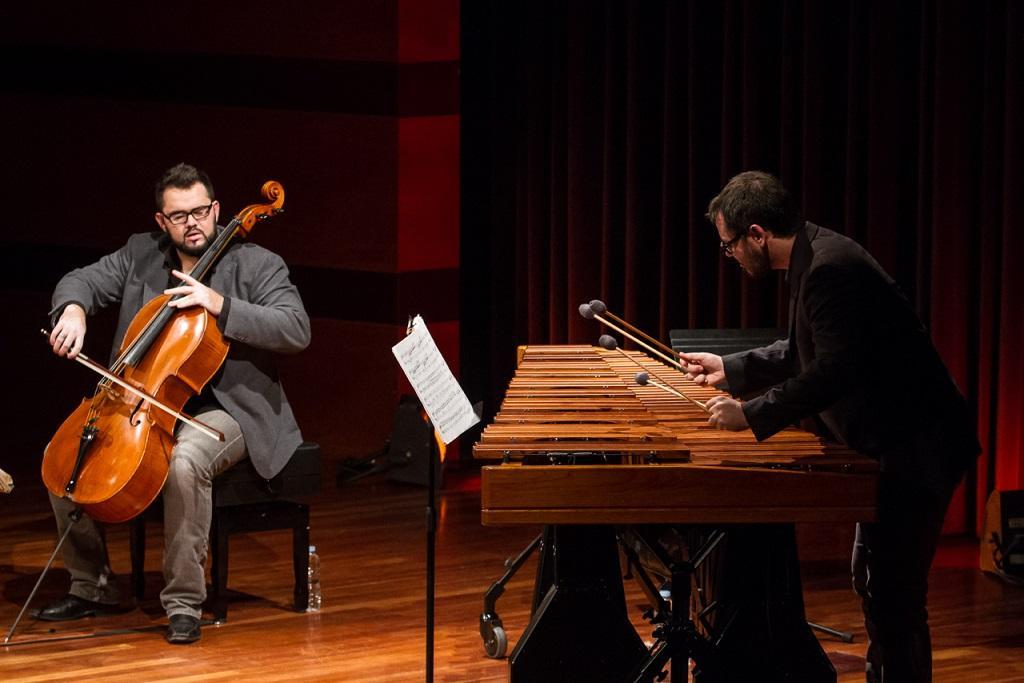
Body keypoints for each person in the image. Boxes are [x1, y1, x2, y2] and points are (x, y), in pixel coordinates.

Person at [681, 170, 980, 682]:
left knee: (895, 599)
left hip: (917, 448)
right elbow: (803, 351)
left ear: (757, 234)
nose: (728, 255)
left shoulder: (828, 269)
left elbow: (833, 372)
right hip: (893, 445)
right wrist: (730, 369)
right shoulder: (813, 257)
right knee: (874, 582)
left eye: (730, 244)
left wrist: (750, 414)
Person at [38, 163, 311, 644]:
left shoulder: (257, 264)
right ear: (161, 221)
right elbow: (79, 280)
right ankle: (93, 585)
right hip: (145, 399)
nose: (193, 223)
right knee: (68, 456)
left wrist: (220, 305)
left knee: (186, 461)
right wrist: (74, 310)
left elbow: (295, 328)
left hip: (234, 410)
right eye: (179, 215)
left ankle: (184, 602)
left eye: (201, 212)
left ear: (217, 210)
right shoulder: (140, 253)